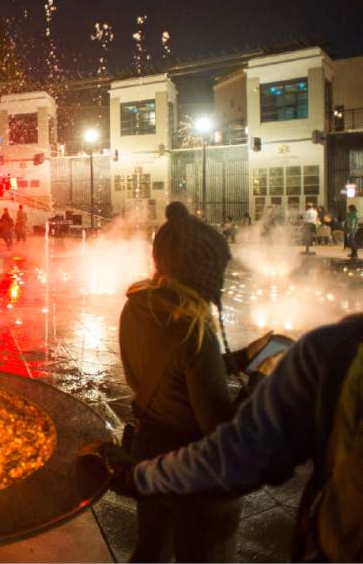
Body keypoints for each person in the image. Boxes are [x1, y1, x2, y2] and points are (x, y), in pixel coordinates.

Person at [92, 313, 363, 563]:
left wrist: (135, 476)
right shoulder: (338, 349)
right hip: (182, 467)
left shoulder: (339, 348)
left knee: (155, 550)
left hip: (163, 454)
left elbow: (242, 454)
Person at [117, 201, 250, 562]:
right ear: (201, 272)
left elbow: (154, 375)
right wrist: (257, 395)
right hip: (191, 469)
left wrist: (231, 361)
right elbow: (216, 426)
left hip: (148, 451)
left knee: (150, 550)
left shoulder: (137, 305)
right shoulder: (195, 330)